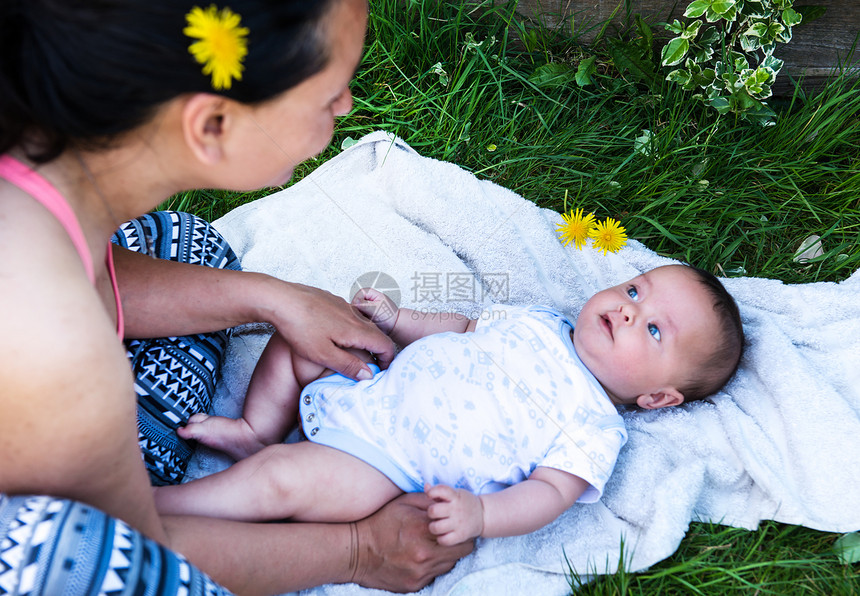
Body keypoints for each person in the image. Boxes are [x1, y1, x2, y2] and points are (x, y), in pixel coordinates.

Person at [0, 1, 473, 594]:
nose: (348, 105)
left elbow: (96, 271)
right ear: (213, 125)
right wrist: (360, 550)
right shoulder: (50, 338)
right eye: (330, 94)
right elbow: (134, 553)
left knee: (193, 249)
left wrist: (273, 299)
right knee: (83, 559)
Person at [154, 264, 745, 545]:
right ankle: (259, 426)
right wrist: (396, 320)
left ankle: (161, 508)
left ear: (659, 397)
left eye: (655, 331)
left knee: (280, 480)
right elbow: (462, 327)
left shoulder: (593, 426)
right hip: (373, 384)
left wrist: (482, 516)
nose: (627, 309)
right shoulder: (541, 320)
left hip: (383, 463)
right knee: (309, 337)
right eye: (635, 289)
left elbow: (549, 494)